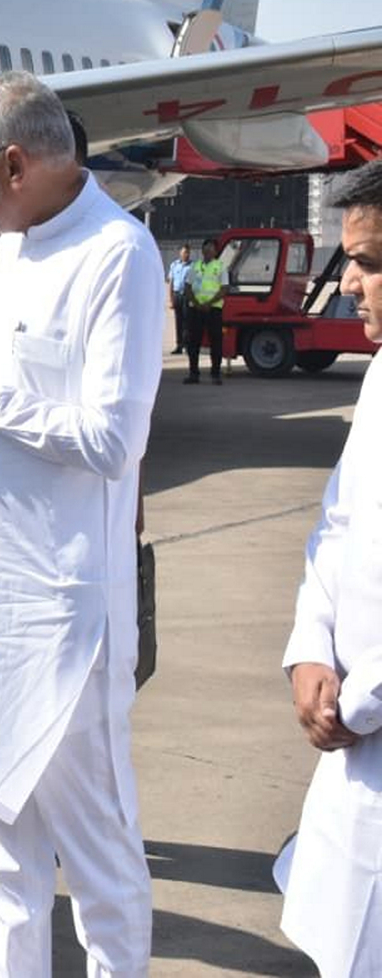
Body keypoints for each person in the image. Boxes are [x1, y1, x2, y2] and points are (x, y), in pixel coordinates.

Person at [0, 72, 163, 976]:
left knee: (96, 850)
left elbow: (109, 436)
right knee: (6, 847)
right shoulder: (6, 245)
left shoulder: (118, 254)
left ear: (16, 163)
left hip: (68, 611)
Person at [275, 161, 382, 975]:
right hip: (352, 729)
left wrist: (360, 699)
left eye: (371, 263)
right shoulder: (379, 376)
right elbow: (338, 522)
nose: (349, 286)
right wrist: (311, 650)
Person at [185, 237, 225, 385]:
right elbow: (187, 287)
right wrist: (196, 303)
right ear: (202, 250)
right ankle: (193, 374)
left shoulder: (221, 267)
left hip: (213, 309)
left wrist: (209, 303)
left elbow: (224, 288)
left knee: (216, 343)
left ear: (215, 251)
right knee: (193, 342)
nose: (208, 251)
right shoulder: (195, 266)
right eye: (206, 248)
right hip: (195, 309)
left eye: (211, 248)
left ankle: (215, 374)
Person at [167, 244, 193, 355]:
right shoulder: (174, 265)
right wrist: (171, 299)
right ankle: (179, 345)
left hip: (187, 296)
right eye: (183, 252)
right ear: (180, 253)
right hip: (177, 295)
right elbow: (171, 283)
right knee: (179, 321)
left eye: (187, 252)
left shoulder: (193, 266)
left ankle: (187, 345)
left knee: (187, 321)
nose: (185, 255)